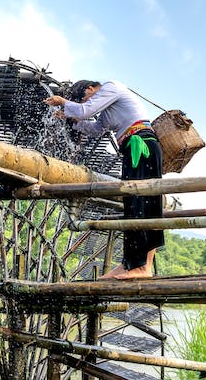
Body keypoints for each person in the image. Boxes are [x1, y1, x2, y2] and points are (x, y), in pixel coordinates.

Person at [43, 80, 164, 279]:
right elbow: (96, 129)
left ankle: (143, 267)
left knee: (146, 205)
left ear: (90, 89)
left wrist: (63, 102)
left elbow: (84, 111)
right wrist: (71, 119)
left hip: (142, 145)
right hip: (133, 148)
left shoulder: (111, 86)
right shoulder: (108, 110)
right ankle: (129, 264)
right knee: (133, 206)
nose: (86, 101)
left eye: (83, 98)